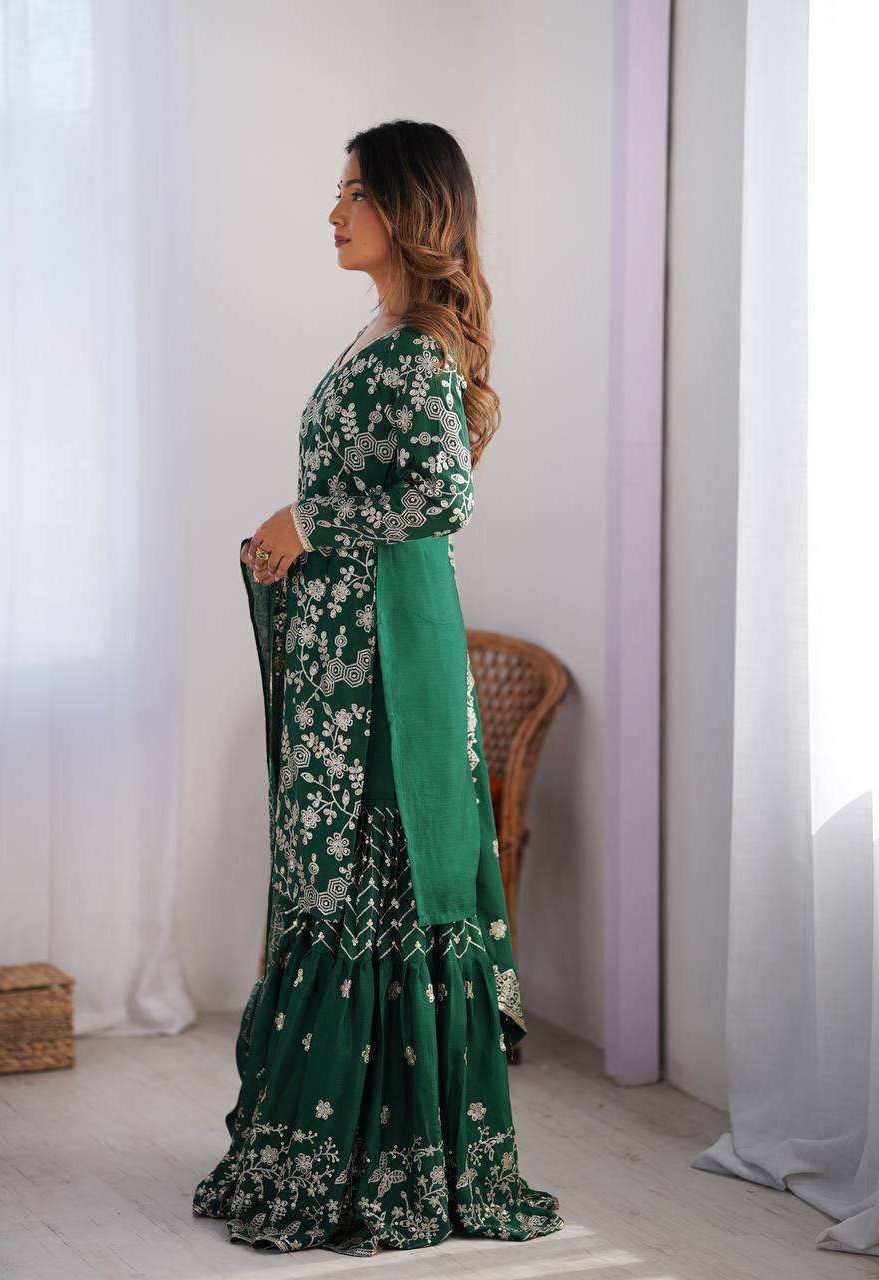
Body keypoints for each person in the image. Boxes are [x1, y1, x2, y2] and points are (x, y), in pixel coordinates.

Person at [192, 119, 565, 1256]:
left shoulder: (414, 351)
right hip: (347, 661)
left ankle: (384, 1161)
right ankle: (335, 1149)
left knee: (376, 883)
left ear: (408, 208)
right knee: (334, 879)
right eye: (340, 190)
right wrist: (291, 545)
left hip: (387, 676)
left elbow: (442, 495)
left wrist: (304, 522)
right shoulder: (378, 334)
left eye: (353, 191)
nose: (334, 210)